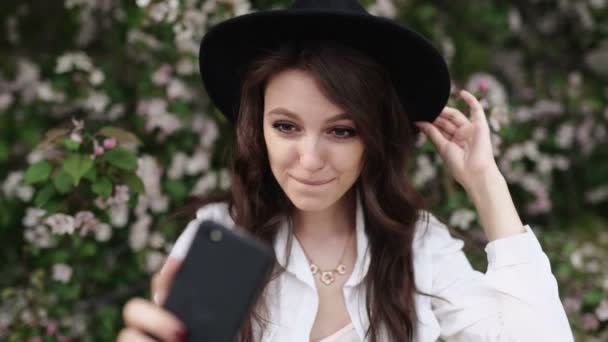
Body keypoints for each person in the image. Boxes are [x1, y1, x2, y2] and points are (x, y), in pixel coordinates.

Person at [118, 1, 574, 341]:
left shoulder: (418, 249)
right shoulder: (222, 238)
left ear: (374, 139)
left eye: (341, 131)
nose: (310, 158)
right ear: (259, 129)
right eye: (286, 126)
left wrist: (484, 182)